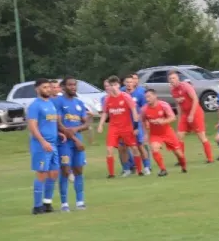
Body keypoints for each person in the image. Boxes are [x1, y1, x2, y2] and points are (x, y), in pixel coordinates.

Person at [27, 78, 65, 214]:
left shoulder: (51, 104)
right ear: (37, 89)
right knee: (42, 173)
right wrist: (43, 141)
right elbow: (32, 126)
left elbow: (50, 123)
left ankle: (47, 203)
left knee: (54, 173)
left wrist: (59, 133)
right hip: (41, 145)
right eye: (44, 87)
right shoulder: (35, 106)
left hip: (53, 144)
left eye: (49, 87)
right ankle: (37, 207)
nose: (48, 89)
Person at [97, 76, 146, 178]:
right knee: (110, 149)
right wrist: (100, 124)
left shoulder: (125, 96)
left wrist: (136, 126)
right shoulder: (107, 99)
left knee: (134, 148)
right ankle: (112, 173)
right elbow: (105, 113)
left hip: (126, 127)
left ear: (119, 85)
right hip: (114, 128)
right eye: (111, 85)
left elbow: (134, 110)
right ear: (109, 87)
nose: (113, 87)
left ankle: (140, 170)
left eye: (115, 85)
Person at [56, 77, 89, 211]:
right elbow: (58, 123)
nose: (73, 87)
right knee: (64, 170)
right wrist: (75, 139)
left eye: (74, 85)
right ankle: (64, 203)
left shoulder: (79, 103)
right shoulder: (58, 102)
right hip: (64, 142)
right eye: (70, 85)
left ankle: (80, 201)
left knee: (78, 169)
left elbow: (86, 123)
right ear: (63, 87)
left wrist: (76, 130)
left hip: (77, 139)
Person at [169, 71, 214, 164]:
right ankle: (181, 160)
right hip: (185, 114)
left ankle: (210, 158)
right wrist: (180, 117)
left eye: (173, 78)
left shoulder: (185, 86)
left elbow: (195, 100)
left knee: (201, 136)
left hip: (195, 112)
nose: (172, 80)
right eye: (170, 79)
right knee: (179, 136)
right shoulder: (173, 90)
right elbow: (178, 105)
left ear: (178, 78)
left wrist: (192, 114)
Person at [140, 89, 187, 176]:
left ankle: (184, 167)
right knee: (154, 149)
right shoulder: (144, 109)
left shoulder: (164, 105)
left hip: (167, 132)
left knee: (179, 154)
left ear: (155, 96)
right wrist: (146, 133)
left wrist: (163, 121)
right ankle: (163, 170)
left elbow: (173, 117)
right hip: (155, 134)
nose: (147, 99)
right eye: (146, 97)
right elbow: (143, 120)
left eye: (149, 96)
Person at [124, 75, 152, 173]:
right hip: (125, 125)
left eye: (130, 82)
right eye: (127, 82)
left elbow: (145, 109)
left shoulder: (139, 94)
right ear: (124, 83)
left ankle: (147, 167)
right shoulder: (122, 94)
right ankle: (129, 168)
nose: (129, 84)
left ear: (134, 83)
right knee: (125, 147)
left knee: (140, 145)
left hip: (137, 123)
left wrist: (146, 121)